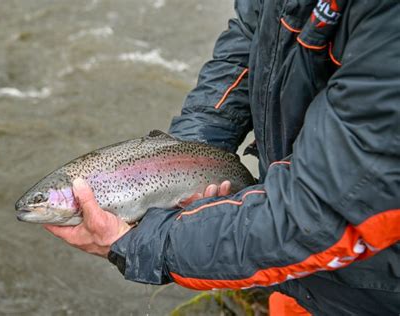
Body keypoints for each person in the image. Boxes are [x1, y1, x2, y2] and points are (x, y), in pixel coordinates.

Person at [44, 0, 400, 314]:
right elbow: (250, 42)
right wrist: (179, 163)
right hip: (303, 282)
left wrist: (143, 243)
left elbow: (322, 207)